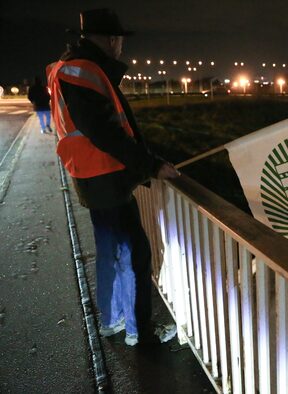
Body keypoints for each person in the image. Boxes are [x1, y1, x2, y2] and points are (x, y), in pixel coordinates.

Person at [46, 8, 180, 346]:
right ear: (111, 40)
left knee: (111, 251)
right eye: (119, 39)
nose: (121, 46)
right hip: (105, 177)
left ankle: (111, 320)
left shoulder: (70, 67)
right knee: (136, 255)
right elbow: (107, 133)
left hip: (90, 176)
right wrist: (151, 165)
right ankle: (141, 333)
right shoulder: (84, 71)